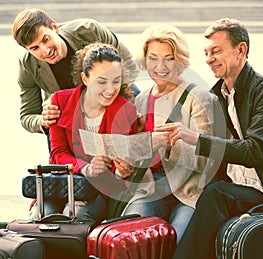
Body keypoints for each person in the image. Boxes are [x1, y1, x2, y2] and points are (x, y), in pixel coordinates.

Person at [154, 18, 263, 258]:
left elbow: (254, 151)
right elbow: (210, 153)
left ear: (241, 50)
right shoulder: (214, 97)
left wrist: (195, 138)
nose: (209, 58)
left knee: (216, 194)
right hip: (236, 188)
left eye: (216, 51)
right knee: (209, 192)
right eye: (206, 52)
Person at [120, 23, 215, 244]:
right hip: (151, 189)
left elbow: (209, 160)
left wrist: (171, 145)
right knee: (131, 240)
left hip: (189, 191)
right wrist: (125, 165)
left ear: (180, 59)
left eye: (169, 58)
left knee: (178, 244)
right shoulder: (141, 100)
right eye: (153, 58)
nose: (160, 66)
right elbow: (140, 153)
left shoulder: (199, 96)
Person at [29, 43, 139, 226]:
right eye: (102, 81)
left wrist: (121, 171)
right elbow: (58, 153)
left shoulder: (127, 111)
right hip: (60, 183)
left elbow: (122, 166)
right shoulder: (60, 101)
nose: (110, 89)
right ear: (85, 78)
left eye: (116, 81)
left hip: (99, 190)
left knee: (75, 215)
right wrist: (85, 168)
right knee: (39, 216)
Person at [12, 8, 139, 150]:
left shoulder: (90, 30)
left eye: (46, 39)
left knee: (137, 96)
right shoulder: (28, 66)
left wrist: (111, 103)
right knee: (55, 124)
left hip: (110, 95)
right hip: (68, 115)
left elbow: (128, 65)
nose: (45, 51)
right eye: (34, 48)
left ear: (54, 27)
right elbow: (27, 115)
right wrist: (42, 120)